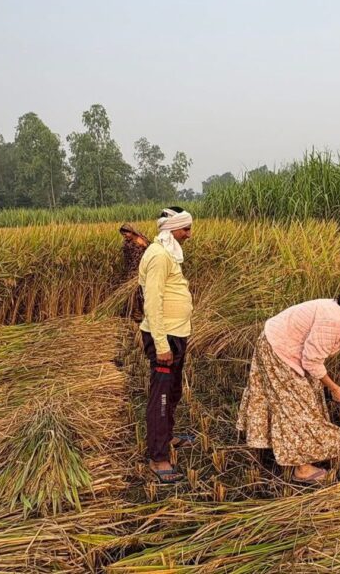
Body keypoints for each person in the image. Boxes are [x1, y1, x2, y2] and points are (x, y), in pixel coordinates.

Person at [236, 294, 340, 483]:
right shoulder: (335, 321)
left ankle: (290, 449)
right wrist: (334, 388)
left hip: (290, 349)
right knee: (297, 408)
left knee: (304, 402)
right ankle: (302, 469)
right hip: (277, 349)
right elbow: (311, 361)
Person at [138, 207, 194, 483]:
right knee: (161, 397)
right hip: (165, 337)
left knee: (172, 392)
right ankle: (158, 458)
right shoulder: (159, 256)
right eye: (186, 229)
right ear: (173, 228)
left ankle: (167, 436)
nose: (189, 234)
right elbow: (152, 302)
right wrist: (161, 345)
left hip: (176, 334)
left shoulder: (168, 253)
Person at [119, 224, 149, 321]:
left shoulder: (143, 239)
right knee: (134, 293)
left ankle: (145, 312)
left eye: (126, 234)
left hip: (144, 270)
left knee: (143, 292)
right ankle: (135, 314)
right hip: (133, 271)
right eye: (123, 235)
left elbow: (149, 251)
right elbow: (129, 260)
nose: (125, 236)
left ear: (132, 231)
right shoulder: (127, 244)